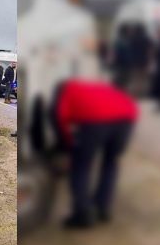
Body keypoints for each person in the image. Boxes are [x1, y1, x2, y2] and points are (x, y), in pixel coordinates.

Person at [52, 79, 138, 229]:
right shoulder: (92, 87)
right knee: (110, 162)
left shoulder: (66, 92)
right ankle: (102, 208)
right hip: (127, 117)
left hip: (95, 120)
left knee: (80, 166)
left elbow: (61, 118)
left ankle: (82, 215)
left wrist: (67, 145)